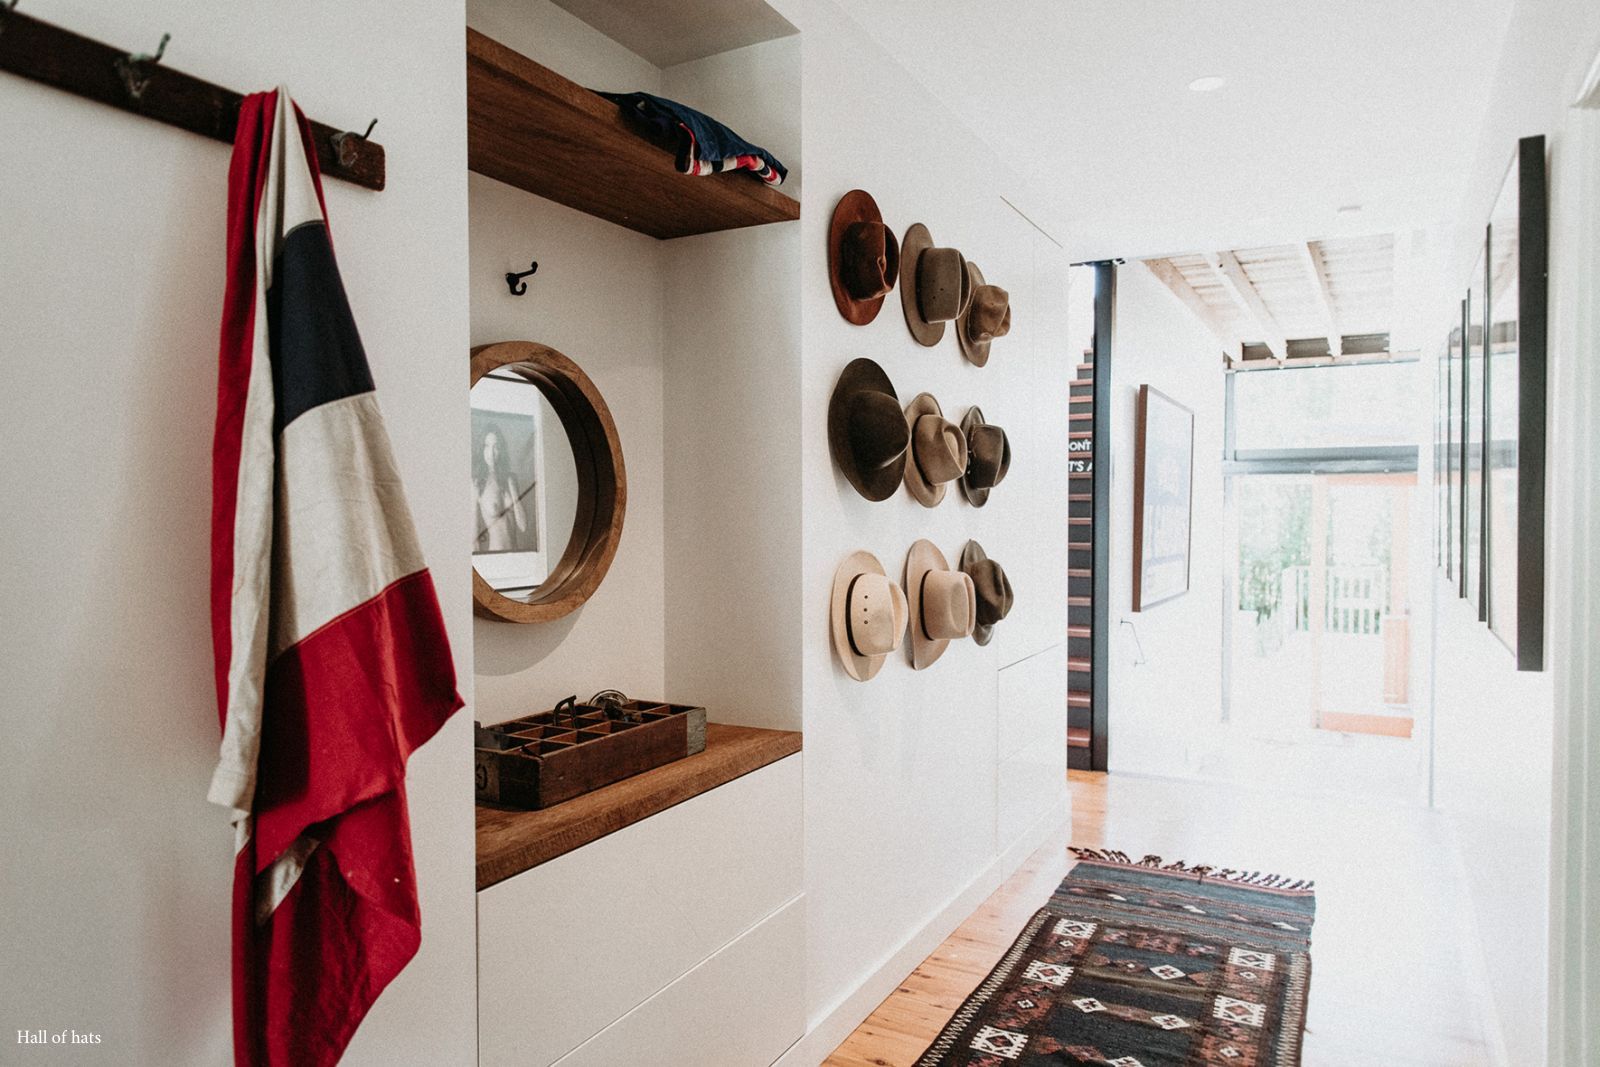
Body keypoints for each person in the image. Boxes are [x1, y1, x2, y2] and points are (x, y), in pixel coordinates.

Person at [474, 424, 532, 552]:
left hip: (516, 555)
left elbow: (523, 526)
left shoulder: (510, 479)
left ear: (501, 449)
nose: (491, 452)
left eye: (496, 446)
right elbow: (473, 535)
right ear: (481, 449)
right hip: (495, 556)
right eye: (487, 446)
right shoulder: (477, 483)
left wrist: (511, 486)